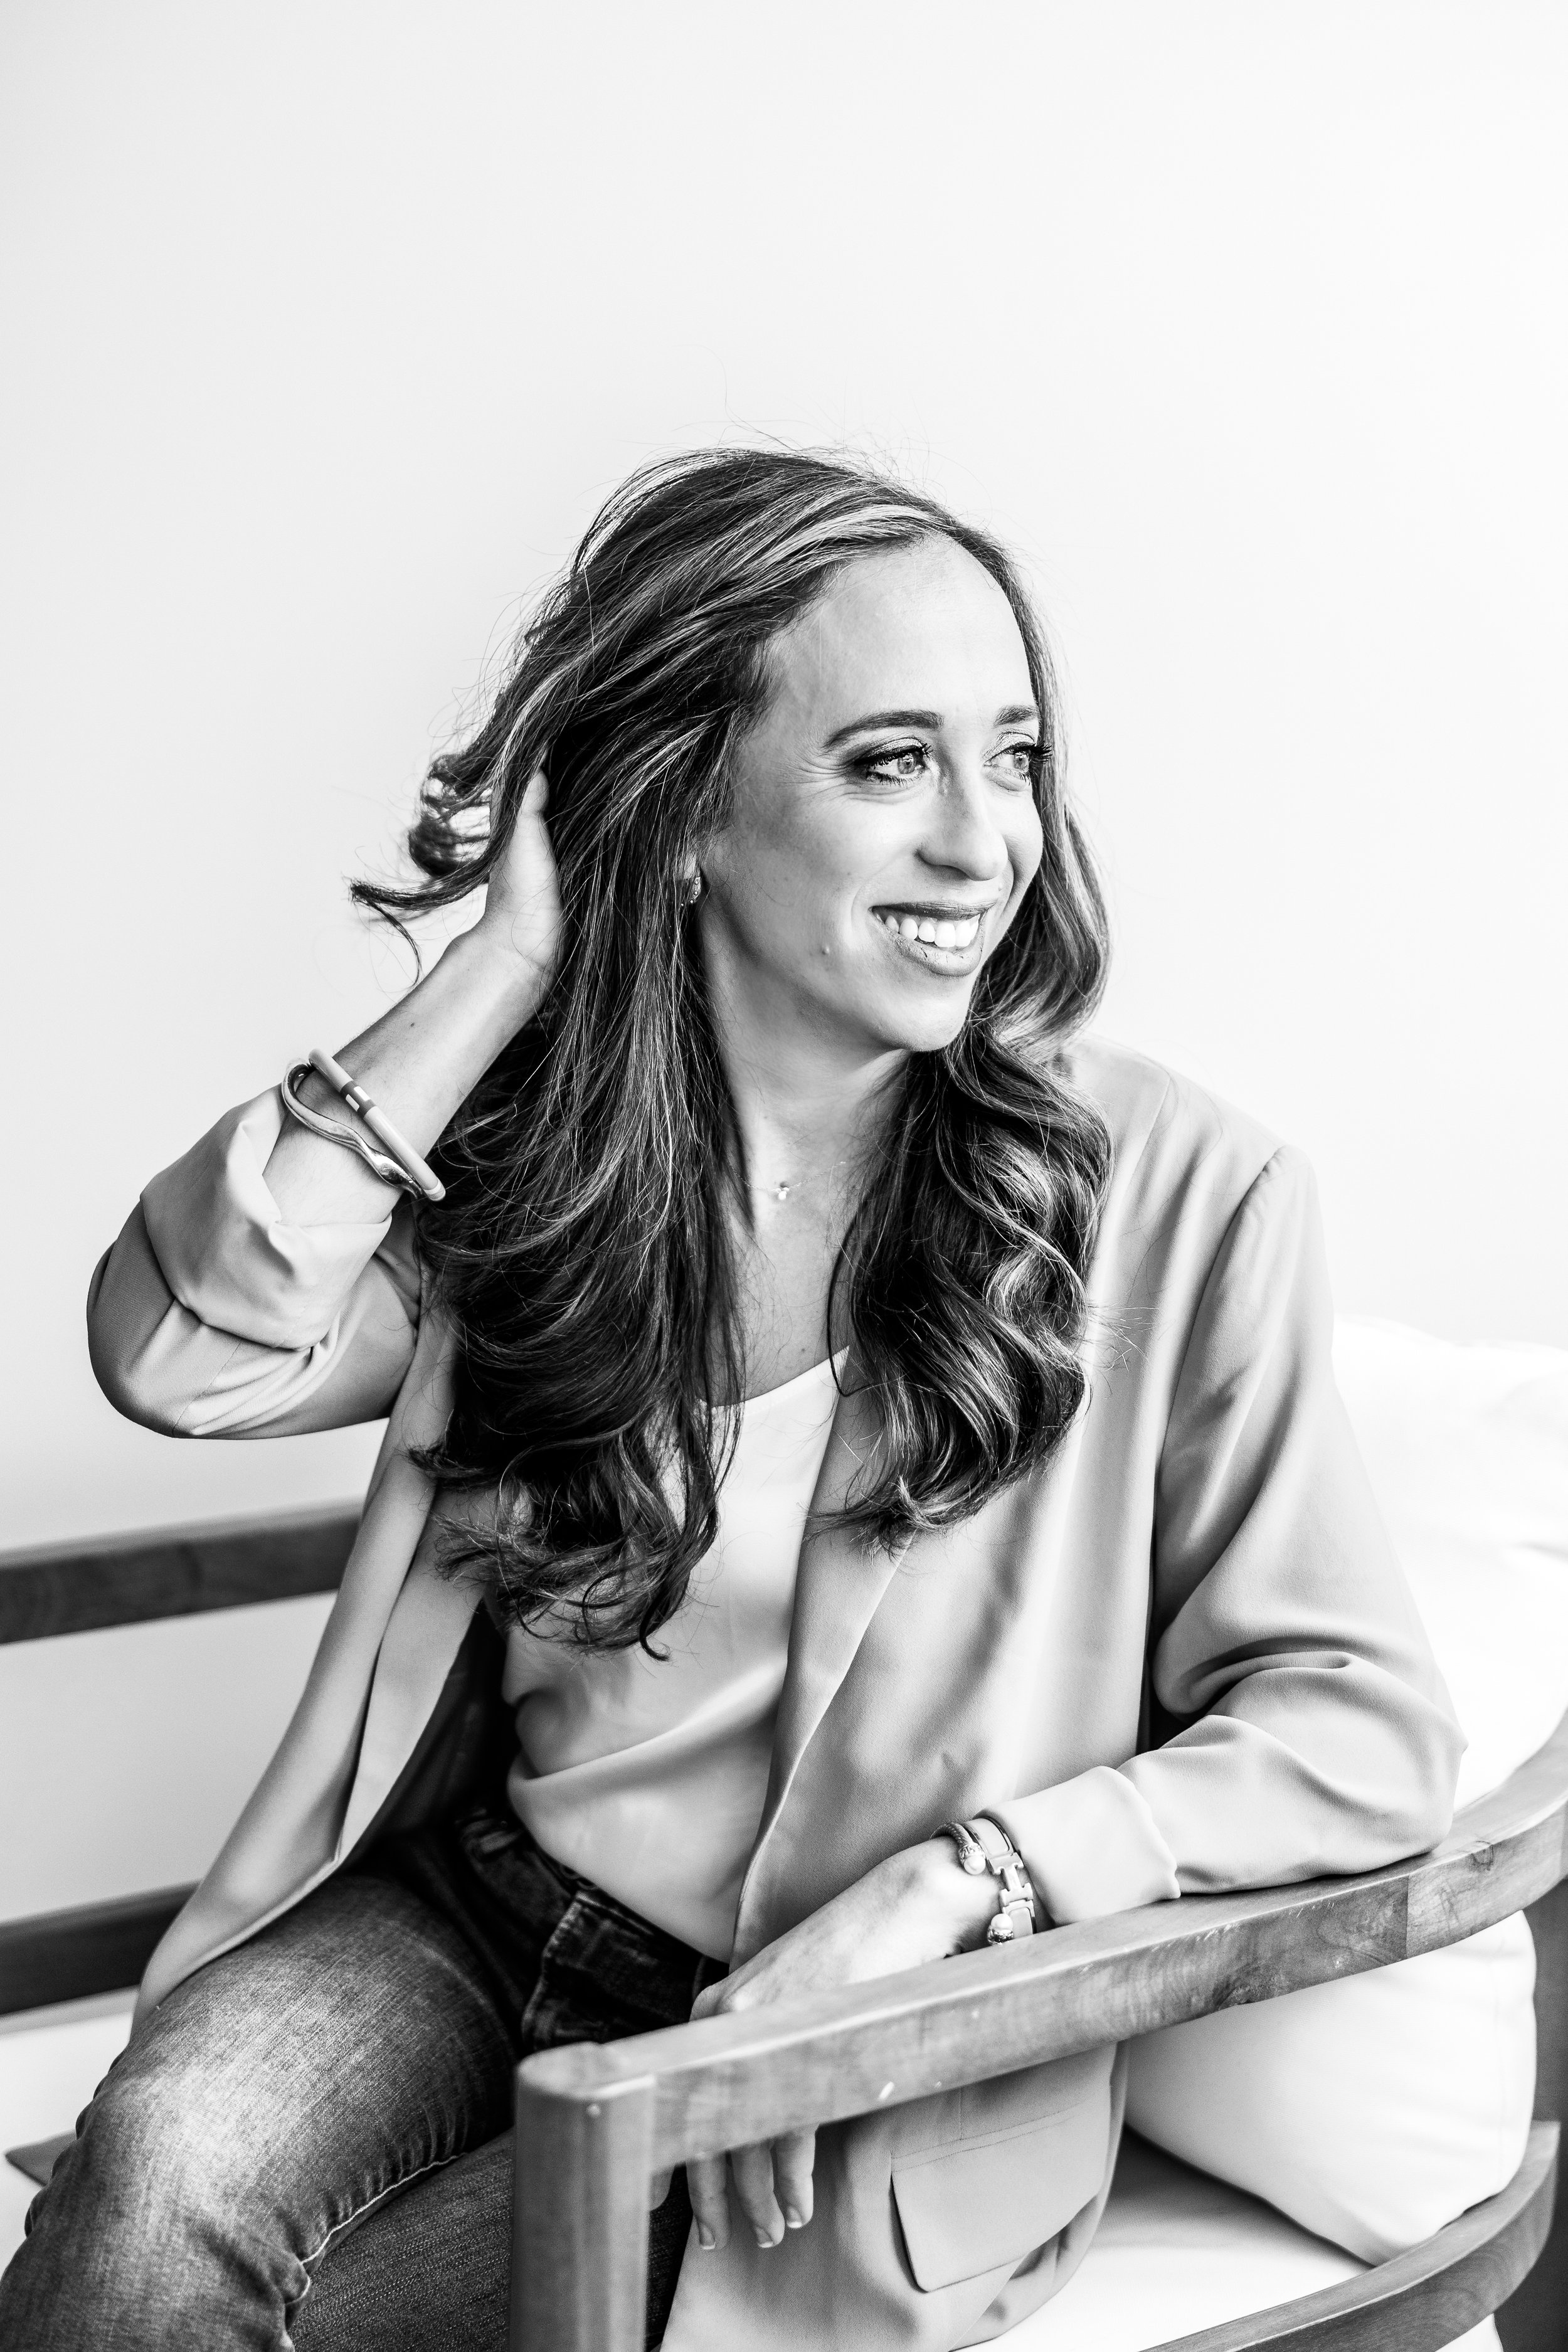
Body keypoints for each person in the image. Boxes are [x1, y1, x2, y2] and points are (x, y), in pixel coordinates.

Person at [0, 449, 1462, 2352]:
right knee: (145, 2197)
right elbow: (184, 1356)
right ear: (686, 809)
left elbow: (1360, 1730)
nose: (981, 842)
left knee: (299, 2317)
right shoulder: (545, 1172)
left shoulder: (1180, 1200)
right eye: (888, 761)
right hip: (480, 1914)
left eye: (1009, 756)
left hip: (831, 2074)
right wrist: (500, 964)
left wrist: (960, 1890)